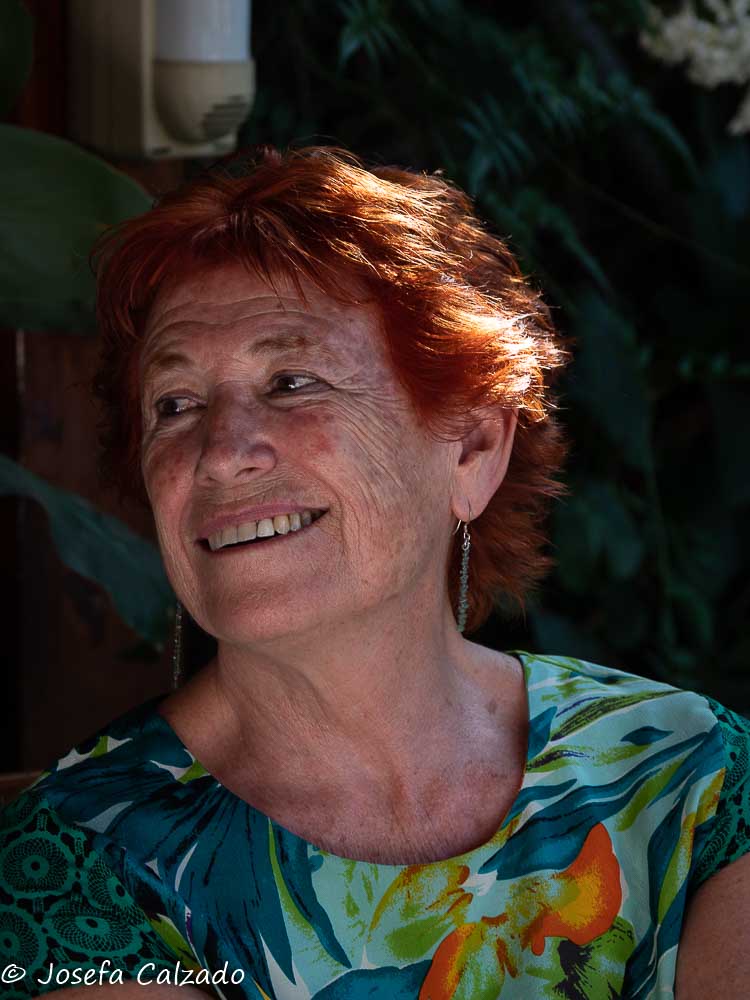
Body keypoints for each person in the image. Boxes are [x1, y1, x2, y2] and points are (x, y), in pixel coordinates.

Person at [1, 146, 748, 1000]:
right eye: (175, 405)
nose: (220, 452)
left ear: (472, 449)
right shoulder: (82, 861)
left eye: (292, 382)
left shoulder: (690, 777)